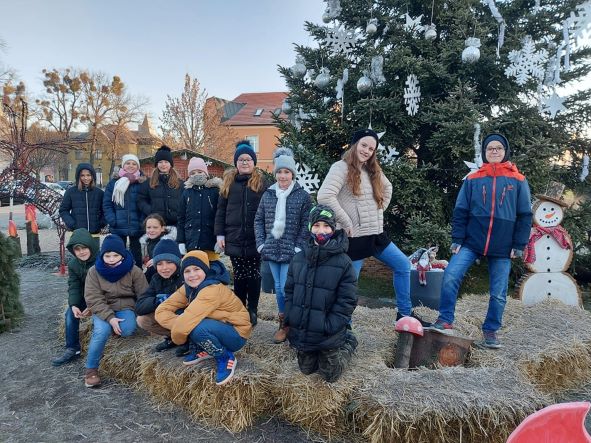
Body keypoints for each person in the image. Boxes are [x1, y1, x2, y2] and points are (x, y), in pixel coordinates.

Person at [317, 128, 428, 325]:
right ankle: (343, 325)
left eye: (371, 148)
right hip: (354, 238)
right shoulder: (340, 167)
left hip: (375, 235)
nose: (367, 151)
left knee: (402, 265)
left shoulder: (372, 169)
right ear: (354, 145)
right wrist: (346, 221)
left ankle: (404, 315)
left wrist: (379, 210)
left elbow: (388, 188)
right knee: (349, 285)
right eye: (364, 145)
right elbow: (324, 196)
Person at [433, 133, 532, 349]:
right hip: (471, 242)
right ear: (485, 152)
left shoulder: (518, 180)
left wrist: (519, 244)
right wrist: (457, 239)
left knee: (498, 293)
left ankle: (490, 331)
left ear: (505, 151)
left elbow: (525, 215)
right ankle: (445, 319)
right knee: (451, 276)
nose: (494, 151)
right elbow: (460, 210)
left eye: (498, 148)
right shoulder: (473, 179)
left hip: (503, 247)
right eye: (490, 148)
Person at [155, 250, 252, 386]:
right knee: (187, 319)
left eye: (197, 269)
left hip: (235, 334)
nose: (192, 275)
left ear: (205, 270)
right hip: (216, 326)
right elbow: (161, 311)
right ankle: (205, 349)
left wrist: (180, 338)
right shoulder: (188, 288)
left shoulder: (212, 289)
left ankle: (225, 357)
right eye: (187, 271)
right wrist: (183, 325)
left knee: (196, 327)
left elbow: (184, 326)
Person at [284, 205, 358, 383]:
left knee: (330, 375)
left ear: (333, 229)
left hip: (327, 332)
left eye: (326, 226)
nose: (321, 231)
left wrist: (330, 325)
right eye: (316, 225)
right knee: (306, 370)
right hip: (304, 329)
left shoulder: (344, 262)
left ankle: (349, 341)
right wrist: (291, 315)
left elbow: (347, 300)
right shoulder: (298, 259)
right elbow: (289, 291)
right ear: (310, 227)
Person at [254, 147, 312, 343]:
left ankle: (294, 322)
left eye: (286, 172)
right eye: (279, 172)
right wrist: (261, 244)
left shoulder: (302, 196)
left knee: (289, 287)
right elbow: (258, 220)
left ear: (292, 173)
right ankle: (283, 323)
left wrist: (298, 247)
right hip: (271, 249)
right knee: (278, 287)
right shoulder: (268, 194)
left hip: (292, 251)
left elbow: (306, 223)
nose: (283, 176)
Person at [215, 140, 269, 326]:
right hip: (234, 237)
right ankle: (239, 308)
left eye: (248, 159)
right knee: (239, 275)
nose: (245, 162)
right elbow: (221, 211)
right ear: (236, 163)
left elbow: (268, 210)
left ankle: (252, 309)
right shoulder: (228, 183)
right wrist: (220, 234)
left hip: (255, 237)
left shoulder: (261, 183)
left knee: (253, 274)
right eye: (241, 160)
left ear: (254, 162)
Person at [83, 235, 148, 387]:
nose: (111, 259)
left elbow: (144, 294)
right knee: (101, 331)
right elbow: (93, 298)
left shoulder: (134, 270)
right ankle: (91, 369)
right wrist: (110, 318)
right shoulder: (94, 271)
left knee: (127, 329)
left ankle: (115, 329)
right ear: (102, 255)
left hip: (125, 306)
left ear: (122, 255)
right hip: (103, 307)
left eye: (115, 255)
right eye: (107, 256)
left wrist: (147, 317)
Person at [51, 228, 98, 366]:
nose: (81, 252)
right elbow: (74, 286)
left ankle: (98, 348)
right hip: (84, 296)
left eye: (84, 248)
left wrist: (93, 306)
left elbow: (107, 287)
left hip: (102, 297)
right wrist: (74, 304)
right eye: (77, 249)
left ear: (91, 246)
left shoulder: (101, 260)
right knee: (70, 314)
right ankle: (72, 348)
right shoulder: (73, 264)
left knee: (100, 318)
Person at [136, 239, 184, 352]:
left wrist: (172, 300)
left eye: (169, 262)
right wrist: (159, 300)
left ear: (177, 262)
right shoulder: (156, 279)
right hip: (169, 317)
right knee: (142, 320)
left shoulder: (186, 276)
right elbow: (139, 306)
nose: (164, 267)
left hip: (185, 317)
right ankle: (174, 338)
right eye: (159, 264)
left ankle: (189, 339)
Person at [103, 154, 146, 267]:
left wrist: (143, 222)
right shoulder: (114, 183)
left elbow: (146, 204)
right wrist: (112, 220)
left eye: (134, 164)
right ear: (123, 165)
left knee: (136, 253)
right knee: (118, 253)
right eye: (128, 163)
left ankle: (137, 273)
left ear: (138, 167)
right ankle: (120, 273)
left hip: (137, 225)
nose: (131, 166)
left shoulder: (142, 183)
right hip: (118, 225)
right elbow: (107, 204)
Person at [177, 157, 222, 259]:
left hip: (210, 243)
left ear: (205, 173)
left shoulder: (214, 191)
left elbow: (220, 217)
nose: (196, 175)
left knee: (212, 267)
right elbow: (181, 219)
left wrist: (219, 237)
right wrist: (181, 241)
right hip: (191, 243)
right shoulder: (186, 193)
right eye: (193, 173)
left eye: (199, 172)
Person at [58, 163, 105, 248]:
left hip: (94, 234)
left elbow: (105, 210)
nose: (86, 178)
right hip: (78, 234)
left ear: (92, 176)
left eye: (88, 175)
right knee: (80, 255)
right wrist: (72, 224)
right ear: (78, 177)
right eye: (82, 175)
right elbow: (63, 210)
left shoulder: (99, 193)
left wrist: (101, 223)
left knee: (94, 255)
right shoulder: (71, 192)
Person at [137, 145, 183, 228]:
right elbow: (141, 200)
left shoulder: (180, 183)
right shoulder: (148, 183)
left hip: (176, 225)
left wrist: (179, 213)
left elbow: (185, 202)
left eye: (166, 162)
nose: (163, 164)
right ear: (157, 164)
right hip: (155, 225)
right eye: (160, 162)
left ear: (170, 164)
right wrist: (151, 211)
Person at [140, 213, 177, 283]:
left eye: (155, 227)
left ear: (162, 228)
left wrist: (156, 260)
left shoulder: (167, 242)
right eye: (149, 227)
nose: (151, 230)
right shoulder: (147, 242)